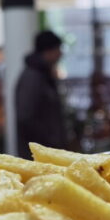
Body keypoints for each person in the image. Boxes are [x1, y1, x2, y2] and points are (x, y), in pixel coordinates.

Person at [15, 30, 68, 158]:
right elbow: (25, 117)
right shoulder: (33, 77)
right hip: (39, 155)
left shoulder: (43, 74)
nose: (60, 54)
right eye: (58, 49)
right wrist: (48, 142)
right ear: (48, 51)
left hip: (46, 152)